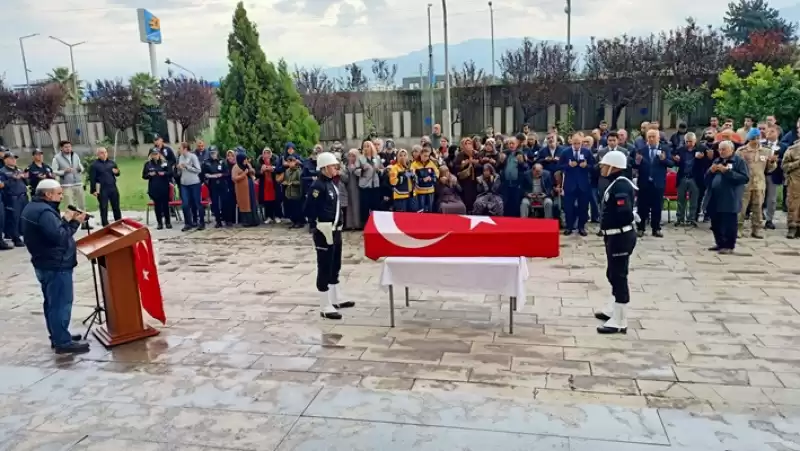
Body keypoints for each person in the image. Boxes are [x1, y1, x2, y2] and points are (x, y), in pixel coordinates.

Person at [20, 179, 90, 354]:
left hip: (44, 262)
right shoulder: (44, 212)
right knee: (60, 303)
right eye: (58, 193)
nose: (61, 196)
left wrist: (65, 219)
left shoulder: (33, 207)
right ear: (47, 194)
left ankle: (58, 335)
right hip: (55, 264)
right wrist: (74, 222)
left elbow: (51, 231)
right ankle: (62, 342)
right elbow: (59, 236)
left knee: (52, 302)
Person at [305, 152, 356, 320]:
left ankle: (335, 298)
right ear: (325, 167)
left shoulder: (332, 184)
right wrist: (316, 225)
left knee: (335, 265)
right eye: (334, 166)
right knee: (324, 266)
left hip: (335, 230)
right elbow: (309, 209)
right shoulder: (317, 186)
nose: (336, 168)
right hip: (324, 230)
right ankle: (324, 304)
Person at [594, 151, 638, 335]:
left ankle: (620, 320)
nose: (602, 168)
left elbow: (624, 212)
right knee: (612, 273)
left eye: (604, 165)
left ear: (614, 166)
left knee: (619, 276)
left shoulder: (620, 185)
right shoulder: (617, 182)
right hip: (614, 235)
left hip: (620, 236)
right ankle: (614, 308)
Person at [706, 140, 750, 254]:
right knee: (716, 222)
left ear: (731, 149)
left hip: (730, 196)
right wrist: (710, 171)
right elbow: (706, 178)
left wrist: (727, 172)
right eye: (719, 149)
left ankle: (729, 245)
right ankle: (720, 243)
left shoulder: (738, 161)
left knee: (729, 223)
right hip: (715, 196)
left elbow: (744, 178)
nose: (721, 151)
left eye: (724, 149)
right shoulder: (717, 160)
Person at [631, 129, 673, 238]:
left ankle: (656, 228)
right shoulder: (641, 150)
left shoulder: (664, 149)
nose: (651, 139)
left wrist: (664, 160)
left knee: (657, 207)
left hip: (658, 183)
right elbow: (634, 165)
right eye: (649, 137)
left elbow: (671, 163)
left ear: (658, 138)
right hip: (644, 183)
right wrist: (637, 162)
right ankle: (641, 228)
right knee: (642, 206)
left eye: (653, 136)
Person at [736, 128, 777, 239]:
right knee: (741, 207)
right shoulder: (741, 151)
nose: (756, 140)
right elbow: (735, 166)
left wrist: (772, 162)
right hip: (745, 183)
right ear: (749, 139)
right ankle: (738, 228)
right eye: (753, 138)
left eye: (758, 138)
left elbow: (769, 169)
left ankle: (757, 229)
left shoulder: (766, 151)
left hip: (759, 183)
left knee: (758, 207)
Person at [559, 133, 595, 236]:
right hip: (570, 184)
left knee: (583, 207)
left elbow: (593, 166)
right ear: (571, 142)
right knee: (568, 207)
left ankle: (581, 227)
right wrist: (568, 165)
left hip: (583, 184)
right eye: (574, 143)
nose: (576, 146)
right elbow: (559, 166)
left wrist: (586, 166)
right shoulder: (565, 152)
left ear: (582, 143)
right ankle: (569, 227)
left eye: (578, 143)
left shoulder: (587, 152)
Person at [51, 140, 90, 230]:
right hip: (66, 185)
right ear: (61, 148)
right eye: (66, 147)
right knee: (70, 206)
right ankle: (70, 225)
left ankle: (84, 223)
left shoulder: (75, 155)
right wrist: (64, 171)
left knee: (82, 204)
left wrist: (80, 169)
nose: (68, 148)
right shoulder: (56, 158)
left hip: (78, 182)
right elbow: (54, 171)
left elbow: (81, 167)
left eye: (69, 146)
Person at [1, 151, 29, 247]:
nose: (14, 160)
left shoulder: (19, 169)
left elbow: (26, 183)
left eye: (15, 158)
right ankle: (15, 238)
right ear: (5, 160)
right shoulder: (3, 171)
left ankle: (25, 236)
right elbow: (2, 185)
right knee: (14, 218)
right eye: (11, 158)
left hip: (23, 196)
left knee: (24, 217)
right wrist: (13, 178)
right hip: (12, 197)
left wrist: (25, 177)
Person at [89, 147, 121, 227]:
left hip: (112, 187)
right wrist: (93, 190)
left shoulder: (112, 163)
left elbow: (117, 173)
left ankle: (119, 222)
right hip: (102, 188)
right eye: (102, 153)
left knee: (116, 206)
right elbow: (92, 178)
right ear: (98, 154)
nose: (104, 154)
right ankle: (105, 225)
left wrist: (117, 172)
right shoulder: (94, 165)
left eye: (105, 152)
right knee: (103, 207)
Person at [142, 149, 173, 230]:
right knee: (157, 206)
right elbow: (144, 176)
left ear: (159, 154)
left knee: (165, 205)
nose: (155, 155)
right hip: (154, 188)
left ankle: (168, 222)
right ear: (151, 155)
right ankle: (159, 223)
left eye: (156, 154)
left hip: (164, 187)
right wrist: (149, 174)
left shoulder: (164, 163)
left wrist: (164, 173)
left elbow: (170, 172)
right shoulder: (148, 164)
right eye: (153, 154)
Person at [176, 142, 204, 231]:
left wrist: (187, 167)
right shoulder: (180, 157)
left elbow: (198, 170)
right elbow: (180, 172)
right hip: (184, 183)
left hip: (194, 183)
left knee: (197, 203)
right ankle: (188, 223)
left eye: (180, 148)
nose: (179, 150)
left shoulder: (193, 157)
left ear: (185, 149)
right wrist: (179, 169)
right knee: (185, 204)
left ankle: (201, 222)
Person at [256, 147, 284, 224]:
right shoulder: (259, 163)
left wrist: (273, 169)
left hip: (274, 184)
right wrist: (261, 171)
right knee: (267, 201)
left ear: (271, 154)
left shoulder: (275, 161)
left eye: (268, 153)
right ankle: (269, 216)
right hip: (265, 185)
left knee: (276, 200)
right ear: (262, 154)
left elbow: (279, 170)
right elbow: (256, 174)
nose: (267, 155)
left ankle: (277, 216)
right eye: (265, 153)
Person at [231, 152, 259, 227]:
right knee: (245, 204)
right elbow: (234, 178)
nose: (246, 160)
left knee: (251, 202)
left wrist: (251, 170)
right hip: (242, 190)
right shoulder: (236, 167)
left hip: (250, 186)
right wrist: (244, 174)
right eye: (245, 159)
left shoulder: (247, 165)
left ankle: (254, 221)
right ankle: (246, 222)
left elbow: (253, 173)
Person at [201, 147, 227, 228]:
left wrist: (221, 174)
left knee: (224, 202)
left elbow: (227, 172)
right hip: (212, 184)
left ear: (217, 152)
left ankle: (226, 219)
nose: (213, 154)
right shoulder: (206, 162)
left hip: (222, 184)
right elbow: (202, 174)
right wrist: (207, 177)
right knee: (215, 203)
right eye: (212, 153)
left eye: (214, 152)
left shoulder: (222, 161)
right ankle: (218, 221)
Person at [410, 147, 439, 212]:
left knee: (430, 210)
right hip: (420, 191)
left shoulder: (431, 163)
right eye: (425, 156)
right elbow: (412, 175)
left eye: (428, 156)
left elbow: (437, 173)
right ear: (420, 155)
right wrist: (421, 180)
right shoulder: (414, 164)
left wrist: (432, 178)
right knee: (421, 210)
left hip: (430, 190)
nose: (427, 158)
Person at [782, 140, 800, 239]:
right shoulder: (792, 150)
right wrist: (797, 163)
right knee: (793, 205)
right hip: (795, 182)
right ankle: (792, 227)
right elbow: (784, 166)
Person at [282, 154, 304, 228]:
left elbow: (300, 182)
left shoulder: (298, 171)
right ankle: (294, 221)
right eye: (288, 162)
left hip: (296, 192)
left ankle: (299, 222)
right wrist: (285, 182)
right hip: (289, 192)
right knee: (291, 208)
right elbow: (286, 179)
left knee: (297, 208)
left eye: (291, 162)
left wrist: (293, 183)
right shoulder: (287, 171)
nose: (290, 163)